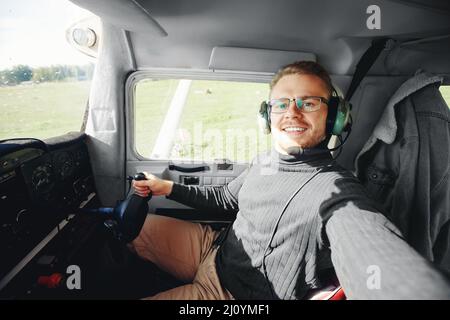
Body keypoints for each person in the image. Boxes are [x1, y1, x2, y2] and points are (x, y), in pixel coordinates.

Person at [130, 61, 450, 300]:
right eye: (281, 104)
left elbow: (367, 240)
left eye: (308, 103)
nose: (292, 114)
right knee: (130, 224)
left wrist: (413, 288)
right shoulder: (265, 160)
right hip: (213, 248)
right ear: (267, 116)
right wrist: (165, 187)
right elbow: (228, 198)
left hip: (227, 294)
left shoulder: (336, 190)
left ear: (335, 117)